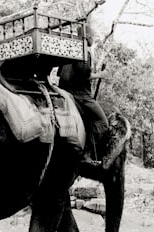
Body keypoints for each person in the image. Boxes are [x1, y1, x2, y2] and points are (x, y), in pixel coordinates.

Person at [58, 23, 109, 166]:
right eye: (92, 36)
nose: (93, 39)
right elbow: (84, 76)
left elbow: (59, 73)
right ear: (86, 37)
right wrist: (101, 74)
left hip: (63, 91)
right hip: (80, 95)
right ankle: (86, 152)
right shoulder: (84, 52)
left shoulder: (69, 50)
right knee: (102, 122)